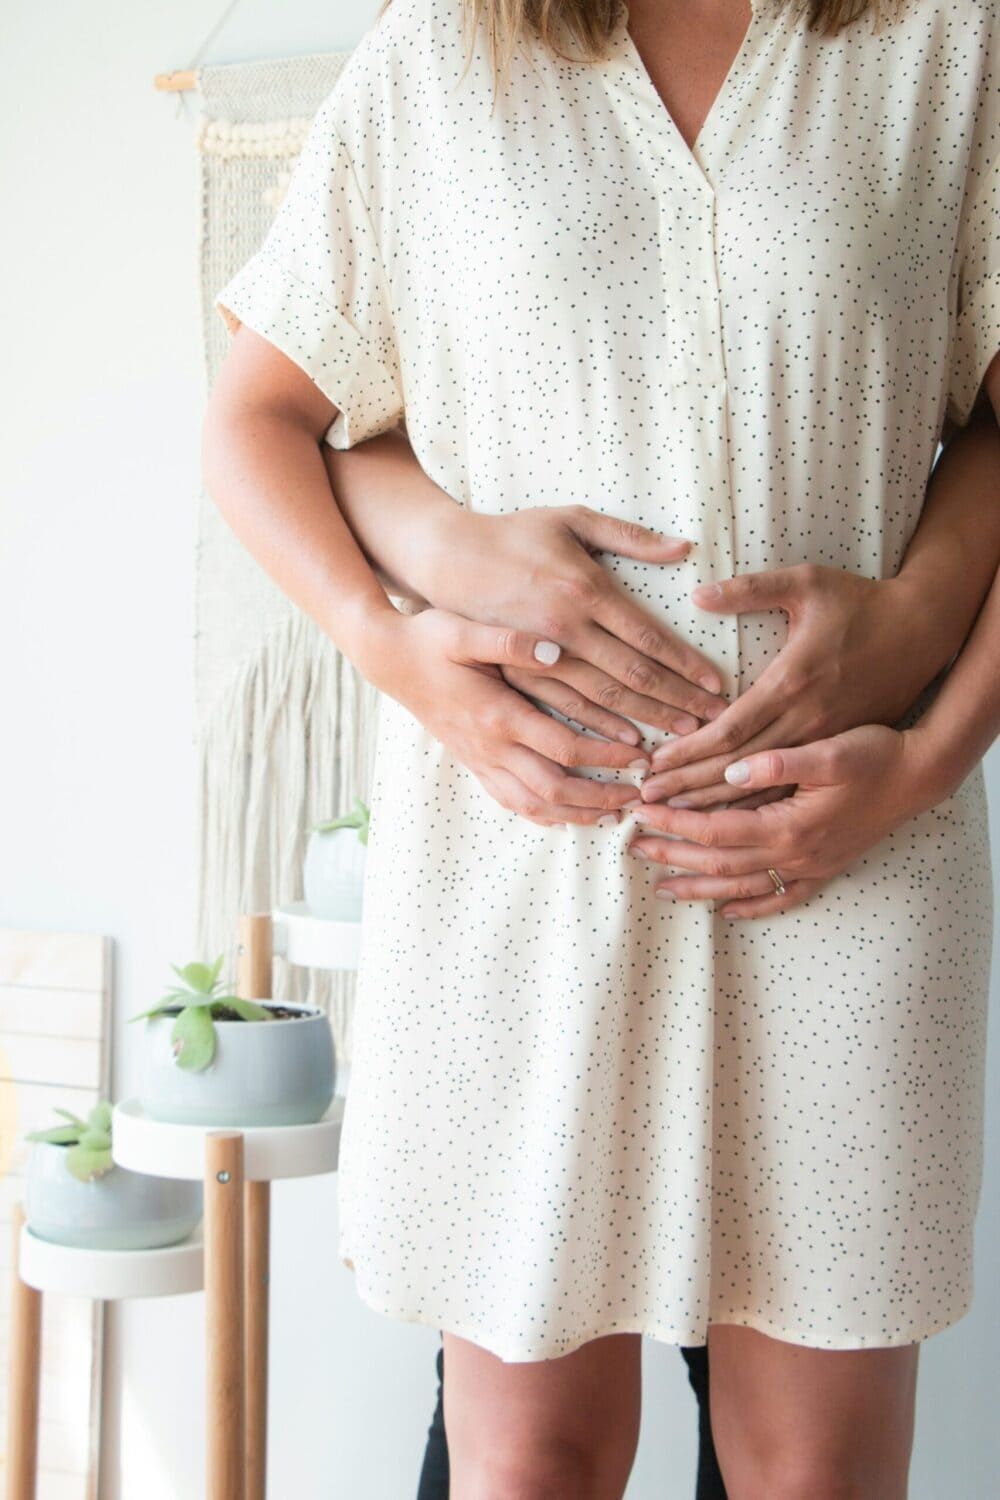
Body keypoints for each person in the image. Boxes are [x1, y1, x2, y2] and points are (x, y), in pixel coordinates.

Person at [202, 0, 1000, 1493]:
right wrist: (398, 649)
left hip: (849, 859)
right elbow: (264, 414)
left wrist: (929, 748)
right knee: (532, 1468)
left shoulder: (944, 45)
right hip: (523, 869)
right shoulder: (445, 54)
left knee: (815, 1477)